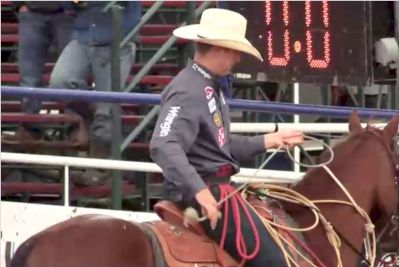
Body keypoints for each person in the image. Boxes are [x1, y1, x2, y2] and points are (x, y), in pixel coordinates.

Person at [149, 8, 304, 266]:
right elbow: (164, 144)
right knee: (274, 261)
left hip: (213, 187)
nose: (237, 59)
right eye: (235, 52)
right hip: (206, 190)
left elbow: (218, 146)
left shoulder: (207, 86)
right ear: (220, 49)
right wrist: (200, 191)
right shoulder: (190, 90)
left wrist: (270, 140)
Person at [48, 1, 141, 185]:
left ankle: (98, 166)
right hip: (84, 35)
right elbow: (66, 4)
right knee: (59, 83)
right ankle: (91, 119)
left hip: (118, 38)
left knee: (107, 106)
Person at [3, 1, 74, 143]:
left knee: (72, 75)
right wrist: (19, 5)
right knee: (29, 76)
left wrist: (75, 5)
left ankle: (74, 127)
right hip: (33, 11)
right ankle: (30, 128)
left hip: (66, 12)